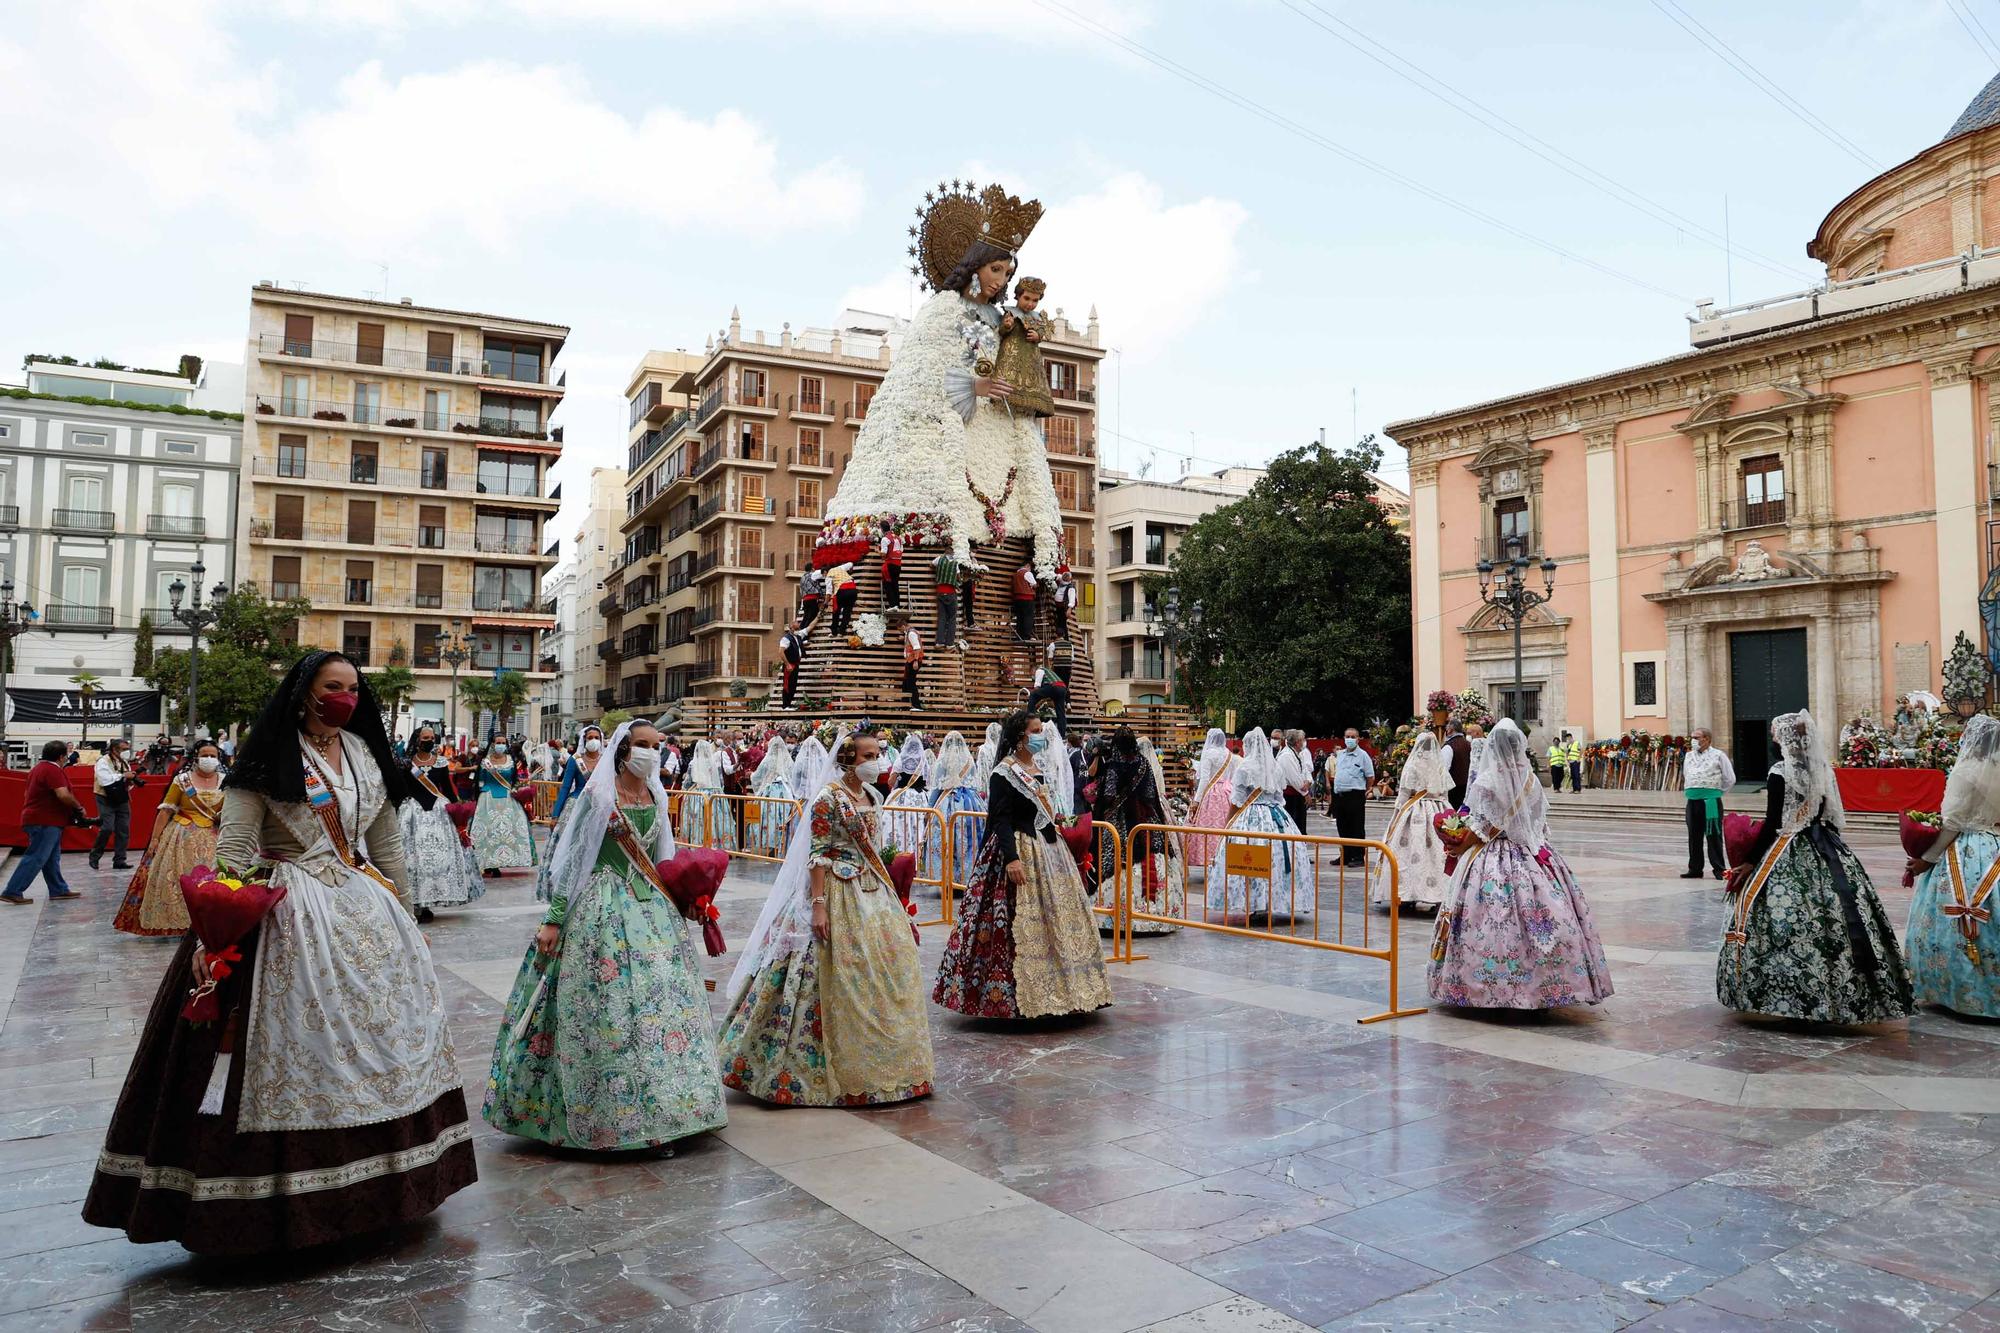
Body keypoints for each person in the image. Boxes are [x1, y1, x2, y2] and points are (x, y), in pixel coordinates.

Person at [83, 652, 472, 1252]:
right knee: (293, 1047)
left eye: (351, 688)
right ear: (302, 693)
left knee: (386, 1035)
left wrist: (408, 910)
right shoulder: (267, 758)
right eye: (330, 687)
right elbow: (235, 849)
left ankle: (389, 1185)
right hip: (289, 911)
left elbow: (385, 841)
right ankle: (270, 1204)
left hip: (365, 907)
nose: (343, 698)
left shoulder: (366, 755)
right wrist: (217, 932)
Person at [485, 721, 726, 1151]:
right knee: (607, 1006)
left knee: (659, 1004)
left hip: (650, 907)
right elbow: (576, 859)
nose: (651, 753)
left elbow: (662, 857)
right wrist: (555, 918)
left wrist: (685, 896)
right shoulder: (598, 796)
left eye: (657, 746)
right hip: (601, 906)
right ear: (622, 749)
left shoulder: (657, 793)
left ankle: (671, 1106)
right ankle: (605, 1114)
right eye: (642, 745)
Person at [814, 196, 1064, 573]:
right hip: (947, 433)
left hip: (999, 428)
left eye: (1007, 273)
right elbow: (927, 378)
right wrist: (975, 388)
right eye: (995, 269)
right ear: (974, 265)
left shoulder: (1001, 319)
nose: (1000, 282)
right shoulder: (942, 310)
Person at [718, 731, 934, 1105]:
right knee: (830, 969)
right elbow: (817, 853)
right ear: (849, 759)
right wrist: (818, 903)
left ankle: (889, 1065)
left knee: (884, 968)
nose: (876, 761)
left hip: (872, 892)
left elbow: (875, 849)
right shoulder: (828, 799)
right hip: (836, 890)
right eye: (868, 755)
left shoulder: (874, 796)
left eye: (878, 754)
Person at [1719, 711, 1914, 1024]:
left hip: (1789, 846)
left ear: (1784, 740)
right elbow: (1833, 817)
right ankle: (1842, 994)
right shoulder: (1824, 769)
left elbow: (1773, 824)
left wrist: (1749, 861)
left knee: (1784, 922)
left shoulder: (1779, 771)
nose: (1772, 740)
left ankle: (1791, 995)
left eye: (1774, 735)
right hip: (1827, 847)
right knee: (1837, 915)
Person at [935, 710, 1114, 1018]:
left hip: (1046, 849)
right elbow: (1001, 819)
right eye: (1035, 730)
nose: (1040, 735)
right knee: (1011, 925)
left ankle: (1065, 990)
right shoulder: (1004, 772)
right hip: (1017, 850)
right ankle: (1011, 998)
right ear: (1020, 737)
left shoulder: (1036, 767)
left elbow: (1044, 813)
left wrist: (1068, 828)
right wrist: (1012, 858)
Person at [1428, 719, 1614, 1010]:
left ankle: (1488, 988)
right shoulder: (1531, 779)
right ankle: (1546, 986)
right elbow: (1538, 823)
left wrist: (1457, 847)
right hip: (1531, 854)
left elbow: (1481, 828)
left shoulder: (1488, 781)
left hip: (1492, 858)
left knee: (1490, 923)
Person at [1907, 713, 2000, 1016]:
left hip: (1963, 850)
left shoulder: (1967, 770)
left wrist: (1925, 859)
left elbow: (1953, 823)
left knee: (1952, 921)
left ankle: (1958, 990)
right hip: (1992, 845)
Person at [113, 743, 226, 936]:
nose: (208, 759)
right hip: (182, 835)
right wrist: (155, 839)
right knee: (176, 878)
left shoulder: (226, 781)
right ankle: (179, 923)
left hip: (216, 836)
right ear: (196, 757)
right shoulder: (182, 781)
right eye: (204, 755)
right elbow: (166, 811)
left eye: (212, 755)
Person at [1211, 729, 1311, 920]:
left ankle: (1255, 902)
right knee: (1278, 857)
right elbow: (1279, 798)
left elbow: (1237, 801)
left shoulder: (1245, 768)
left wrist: (1227, 825)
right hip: (1277, 817)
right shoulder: (1275, 767)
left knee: (1250, 858)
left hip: (1251, 817)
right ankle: (1280, 900)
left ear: (1248, 746)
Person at [1092, 728, 1181, 935]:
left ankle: (1113, 917)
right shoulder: (1143, 763)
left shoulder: (1114, 766)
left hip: (1119, 823)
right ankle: (1154, 915)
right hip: (1146, 820)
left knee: (1112, 858)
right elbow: (1151, 793)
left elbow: (1108, 795)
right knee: (1154, 858)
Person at [402, 726, 483, 921]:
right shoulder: (406, 764)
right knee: (414, 859)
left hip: (438, 812)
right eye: (425, 737)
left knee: (440, 859)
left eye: (431, 737)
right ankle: (416, 903)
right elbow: (402, 788)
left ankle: (431, 900)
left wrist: (458, 813)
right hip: (413, 814)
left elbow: (446, 788)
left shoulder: (440, 762)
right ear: (417, 739)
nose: (429, 741)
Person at [2, 740, 86, 905]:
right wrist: (78, 807)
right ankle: (12, 890)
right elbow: (62, 794)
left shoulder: (37, 769)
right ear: (62, 756)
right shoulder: (52, 770)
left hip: (39, 818)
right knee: (37, 856)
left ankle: (58, 889)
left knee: (50, 857)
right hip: (46, 820)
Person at [1375, 731, 1452, 912]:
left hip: (1415, 810)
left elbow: (1403, 793)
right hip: (1438, 809)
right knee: (1438, 855)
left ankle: (1406, 894)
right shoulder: (1439, 764)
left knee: (1408, 853)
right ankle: (1439, 895)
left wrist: (1397, 815)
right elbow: (1445, 792)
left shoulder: (1413, 764)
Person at [471, 736, 536, 878]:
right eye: (497, 743)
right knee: (489, 831)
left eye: (503, 743)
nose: (500, 745)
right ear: (492, 744)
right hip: (488, 798)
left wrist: (517, 789)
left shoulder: (511, 761)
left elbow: (515, 780)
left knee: (508, 830)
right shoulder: (485, 762)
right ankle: (488, 863)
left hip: (508, 798)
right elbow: (480, 780)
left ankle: (502, 860)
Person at [926, 731, 985, 887]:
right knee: (968, 840)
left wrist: (930, 808)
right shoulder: (969, 760)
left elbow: (937, 788)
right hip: (969, 803)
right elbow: (974, 784)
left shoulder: (942, 761)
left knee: (946, 839)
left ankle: (946, 878)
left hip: (946, 803)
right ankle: (967, 877)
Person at [1681, 727, 1736, 880]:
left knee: (1713, 834)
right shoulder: (1689, 756)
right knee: (1694, 835)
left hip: (1711, 801)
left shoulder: (1718, 755)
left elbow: (1730, 778)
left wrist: (1716, 793)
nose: (1693, 740)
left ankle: (1719, 869)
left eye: (1696, 737)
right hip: (1692, 801)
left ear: (1707, 739)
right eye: (1692, 737)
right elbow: (1686, 774)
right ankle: (1695, 869)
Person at [1186, 727, 1237, 869]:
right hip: (1227, 792)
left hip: (1211, 793)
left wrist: (1196, 800)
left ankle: (1207, 858)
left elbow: (1204, 779)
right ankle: (1224, 857)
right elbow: (1231, 777)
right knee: (1224, 826)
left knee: (1207, 828)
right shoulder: (1229, 754)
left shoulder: (1209, 754)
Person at [1325, 728, 1374, 867]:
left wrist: (1366, 789)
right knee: (1342, 826)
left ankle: (1358, 856)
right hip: (1340, 795)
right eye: (1348, 736)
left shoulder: (1363, 755)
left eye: (1353, 736)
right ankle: (1346, 855)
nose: (1350, 739)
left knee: (1356, 826)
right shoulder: (1340, 754)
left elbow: (1370, 776)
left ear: (1358, 739)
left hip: (1355, 794)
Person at [90, 738, 140, 871]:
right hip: (105, 797)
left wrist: (130, 781)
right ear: (114, 749)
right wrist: (124, 776)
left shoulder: (124, 762)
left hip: (121, 798)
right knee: (107, 827)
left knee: (123, 830)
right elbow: (104, 780)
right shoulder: (103, 761)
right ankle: (95, 855)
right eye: (124, 749)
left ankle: (119, 860)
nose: (126, 752)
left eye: (127, 749)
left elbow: (126, 780)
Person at [881, 734, 932, 861]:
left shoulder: (901, 759)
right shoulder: (923, 760)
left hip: (901, 797)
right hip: (919, 798)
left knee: (898, 826)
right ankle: (916, 856)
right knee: (917, 826)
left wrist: (899, 781)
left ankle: (898, 856)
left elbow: (891, 782)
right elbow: (928, 781)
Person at [678, 739, 734, 848]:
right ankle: (719, 844)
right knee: (716, 820)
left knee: (698, 821)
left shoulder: (693, 763)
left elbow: (688, 781)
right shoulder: (714, 763)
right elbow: (721, 781)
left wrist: (684, 788)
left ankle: (698, 844)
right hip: (714, 794)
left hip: (698, 795)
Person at [751, 735, 796, 854]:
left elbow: (756, 777)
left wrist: (751, 777)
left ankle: (770, 843)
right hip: (785, 791)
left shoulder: (767, 760)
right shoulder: (788, 760)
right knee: (783, 816)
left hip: (769, 791)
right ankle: (782, 843)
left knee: (769, 818)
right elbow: (793, 776)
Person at [1026, 644, 1070, 733]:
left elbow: (1037, 687)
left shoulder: (1039, 670)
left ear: (1033, 670)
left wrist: (1032, 702)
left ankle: (1029, 718)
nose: (1032, 677)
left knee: (1033, 694)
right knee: (1060, 713)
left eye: (1031, 674)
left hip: (1053, 687)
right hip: (1062, 688)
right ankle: (1061, 734)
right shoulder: (1049, 671)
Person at [1277, 730, 1314, 838]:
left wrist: (1308, 780)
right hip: (1290, 796)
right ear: (1297, 742)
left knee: (1301, 825)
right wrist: (1306, 793)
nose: (1304, 742)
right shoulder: (1286, 756)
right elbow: (1294, 778)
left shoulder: (1299, 754)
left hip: (1299, 793)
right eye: (1303, 740)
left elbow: (1305, 770)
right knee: (1293, 824)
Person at [1442, 719, 1472, 811]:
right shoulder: (1469, 744)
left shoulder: (1449, 746)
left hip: (1453, 790)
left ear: (1450, 730)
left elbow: (1444, 769)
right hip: (1467, 787)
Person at [780, 618, 807, 709]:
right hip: (790, 664)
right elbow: (781, 652)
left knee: (793, 685)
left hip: (796, 664)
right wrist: (787, 664)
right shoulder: (786, 638)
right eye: (796, 622)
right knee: (787, 684)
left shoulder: (797, 637)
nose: (798, 623)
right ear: (791, 626)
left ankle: (789, 704)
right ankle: (785, 705)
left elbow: (797, 647)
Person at [828, 562, 858, 636]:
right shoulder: (841, 568)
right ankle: (841, 631)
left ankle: (834, 632)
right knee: (847, 611)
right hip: (853, 589)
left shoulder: (828, 575)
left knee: (836, 611)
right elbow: (851, 563)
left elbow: (828, 591)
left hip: (842, 590)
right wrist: (850, 571)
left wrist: (826, 602)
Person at [900, 617, 924, 708]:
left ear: (903, 626)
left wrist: (916, 661)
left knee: (911, 683)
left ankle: (916, 705)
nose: (901, 631)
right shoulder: (908, 633)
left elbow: (917, 647)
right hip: (910, 660)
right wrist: (903, 638)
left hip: (914, 661)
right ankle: (905, 704)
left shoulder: (911, 634)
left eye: (900, 629)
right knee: (906, 683)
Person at [1011, 561, 1038, 642]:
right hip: (1027, 598)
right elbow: (1034, 584)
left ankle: (1019, 636)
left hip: (1017, 599)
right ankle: (1027, 635)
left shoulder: (1015, 574)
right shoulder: (1027, 573)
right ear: (1027, 565)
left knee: (1020, 618)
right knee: (1028, 617)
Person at [880, 525, 905, 608]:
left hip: (889, 564)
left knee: (888, 585)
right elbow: (901, 551)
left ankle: (893, 606)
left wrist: (877, 551)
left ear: (882, 529)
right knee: (895, 585)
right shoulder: (899, 538)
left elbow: (883, 555)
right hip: (898, 564)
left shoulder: (885, 539)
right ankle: (897, 606)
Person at [1052, 562, 1077, 640]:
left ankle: (1064, 638)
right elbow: (1058, 576)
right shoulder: (1062, 580)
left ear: (1069, 579)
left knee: (1062, 623)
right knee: (1059, 622)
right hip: (1058, 606)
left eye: (1066, 577)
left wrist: (1069, 609)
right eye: (1064, 576)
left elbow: (1072, 599)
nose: (1064, 578)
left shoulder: (1071, 587)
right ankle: (1061, 636)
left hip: (1063, 607)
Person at [798, 564, 826, 630]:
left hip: (805, 600)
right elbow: (823, 571)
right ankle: (804, 634)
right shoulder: (812, 574)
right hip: (812, 599)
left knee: (805, 617)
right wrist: (822, 594)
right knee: (811, 617)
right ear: (812, 569)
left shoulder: (802, 577)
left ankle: (800, 632)